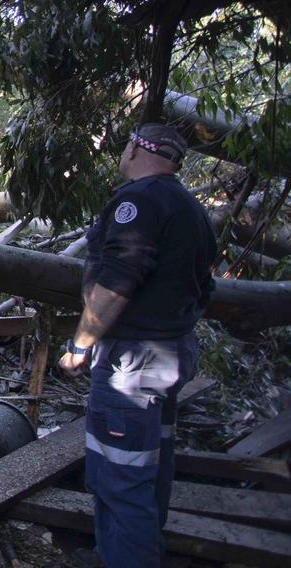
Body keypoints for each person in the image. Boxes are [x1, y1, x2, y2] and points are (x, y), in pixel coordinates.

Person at [58, 123, 216, 568]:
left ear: (136, 150)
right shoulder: (191, 208)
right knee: (151, 465)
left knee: (118, 476)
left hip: (133, 364)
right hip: (171, 354)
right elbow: (205, 288)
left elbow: (117, 284)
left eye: (125, 145)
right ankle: (124, 552)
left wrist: (82, 344)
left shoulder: (139, 200)